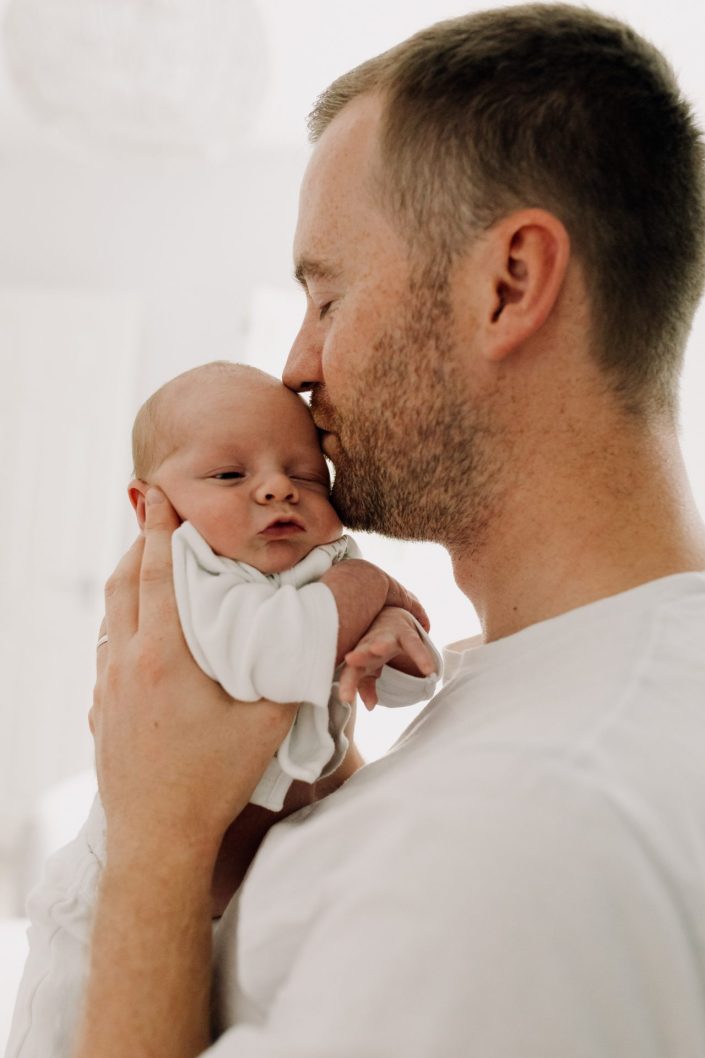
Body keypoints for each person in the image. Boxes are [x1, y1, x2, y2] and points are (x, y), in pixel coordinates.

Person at [8, 4, 705, 1056]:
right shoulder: (538, 686)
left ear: (508, 284)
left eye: (326, 296)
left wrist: (156, 839)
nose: (295, 364)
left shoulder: (528, 829)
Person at [127, 360, 440, 812]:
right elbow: (277, 655)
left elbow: (400, 691)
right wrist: (368, 584)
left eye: (306, 477)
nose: (279, 488)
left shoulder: (327, 563)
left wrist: (393, 640)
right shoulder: (187, 578)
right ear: (148, 505)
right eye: (230, 475)